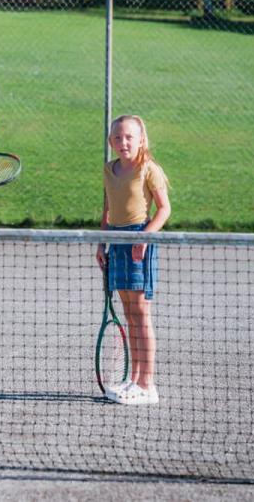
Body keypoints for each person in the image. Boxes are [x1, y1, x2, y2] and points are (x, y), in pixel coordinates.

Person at [95, 114, 171, 405]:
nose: (123, 142)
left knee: (141, 315)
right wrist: (101, 242)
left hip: (139, 239)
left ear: (141, 140)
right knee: (129, 313)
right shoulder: (109, 169)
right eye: (117, 137)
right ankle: (134, 379)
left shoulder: (149, 169)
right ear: (111, 141)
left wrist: (144, 237)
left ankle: (147, 384)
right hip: (115, 240)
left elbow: (164, 209)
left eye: (129, 137)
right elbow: (107, 208)